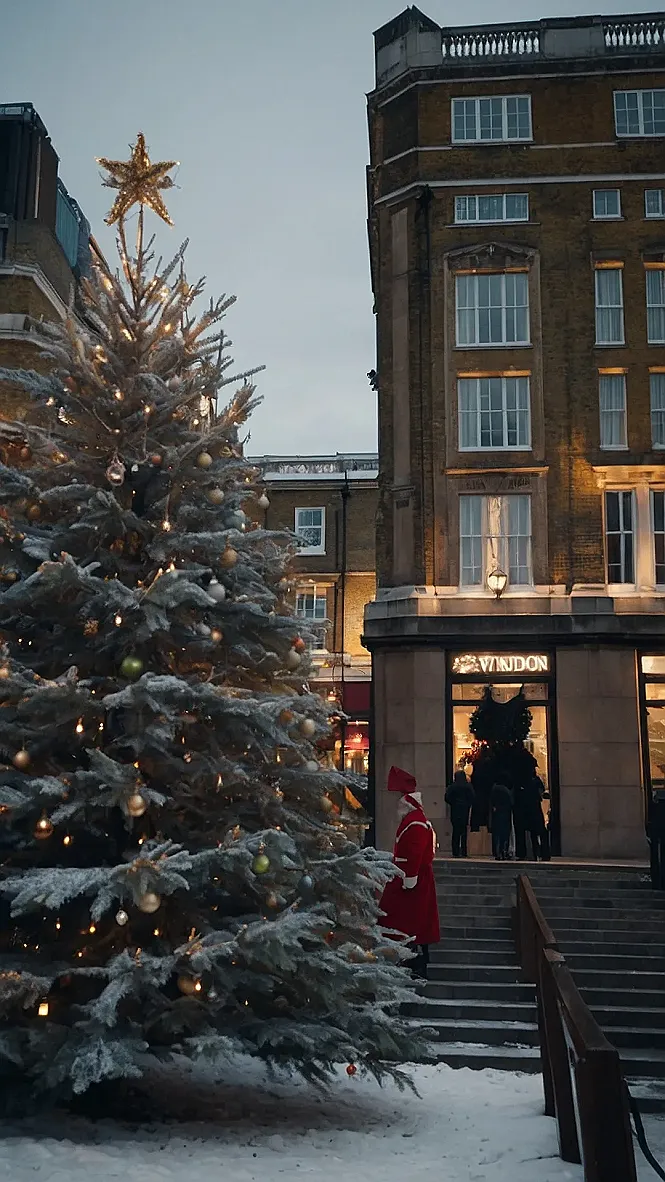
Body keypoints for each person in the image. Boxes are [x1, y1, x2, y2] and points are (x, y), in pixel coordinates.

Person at [380, 766, 440, 979]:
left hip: (411, 881)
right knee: (413, 923)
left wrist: (409, 879)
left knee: (408, 922)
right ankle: (413, 959)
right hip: (412, 879)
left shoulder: (414, 822)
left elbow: (413, 854)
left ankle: (415, 962)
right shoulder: (415, 820)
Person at [445, 769, 475, 858]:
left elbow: (447, 797)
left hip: (455, 810)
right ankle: (464, 851)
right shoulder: (467, 786)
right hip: (464, 810)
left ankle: (455, 851)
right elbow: (473, 797)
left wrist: (453, 803)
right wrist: (467, 804)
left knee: (456, 832)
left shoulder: (452, 786)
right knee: (464, 831)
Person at [522, 772, 551, 861]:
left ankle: (536, 853)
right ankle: (543, 853)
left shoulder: (526, 781)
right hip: (535, 807)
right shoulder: (535, 781)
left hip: (530, 808)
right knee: (540, 832)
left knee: (534, 833)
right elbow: (541, 791)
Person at [490, 782, 513, 861]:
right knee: (504, 834)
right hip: (505, 814)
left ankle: (497, 853)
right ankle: (504, 851)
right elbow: (511, 802)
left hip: (497, 814)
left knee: (496, 834)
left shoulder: (494, 789)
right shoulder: (507, 791)